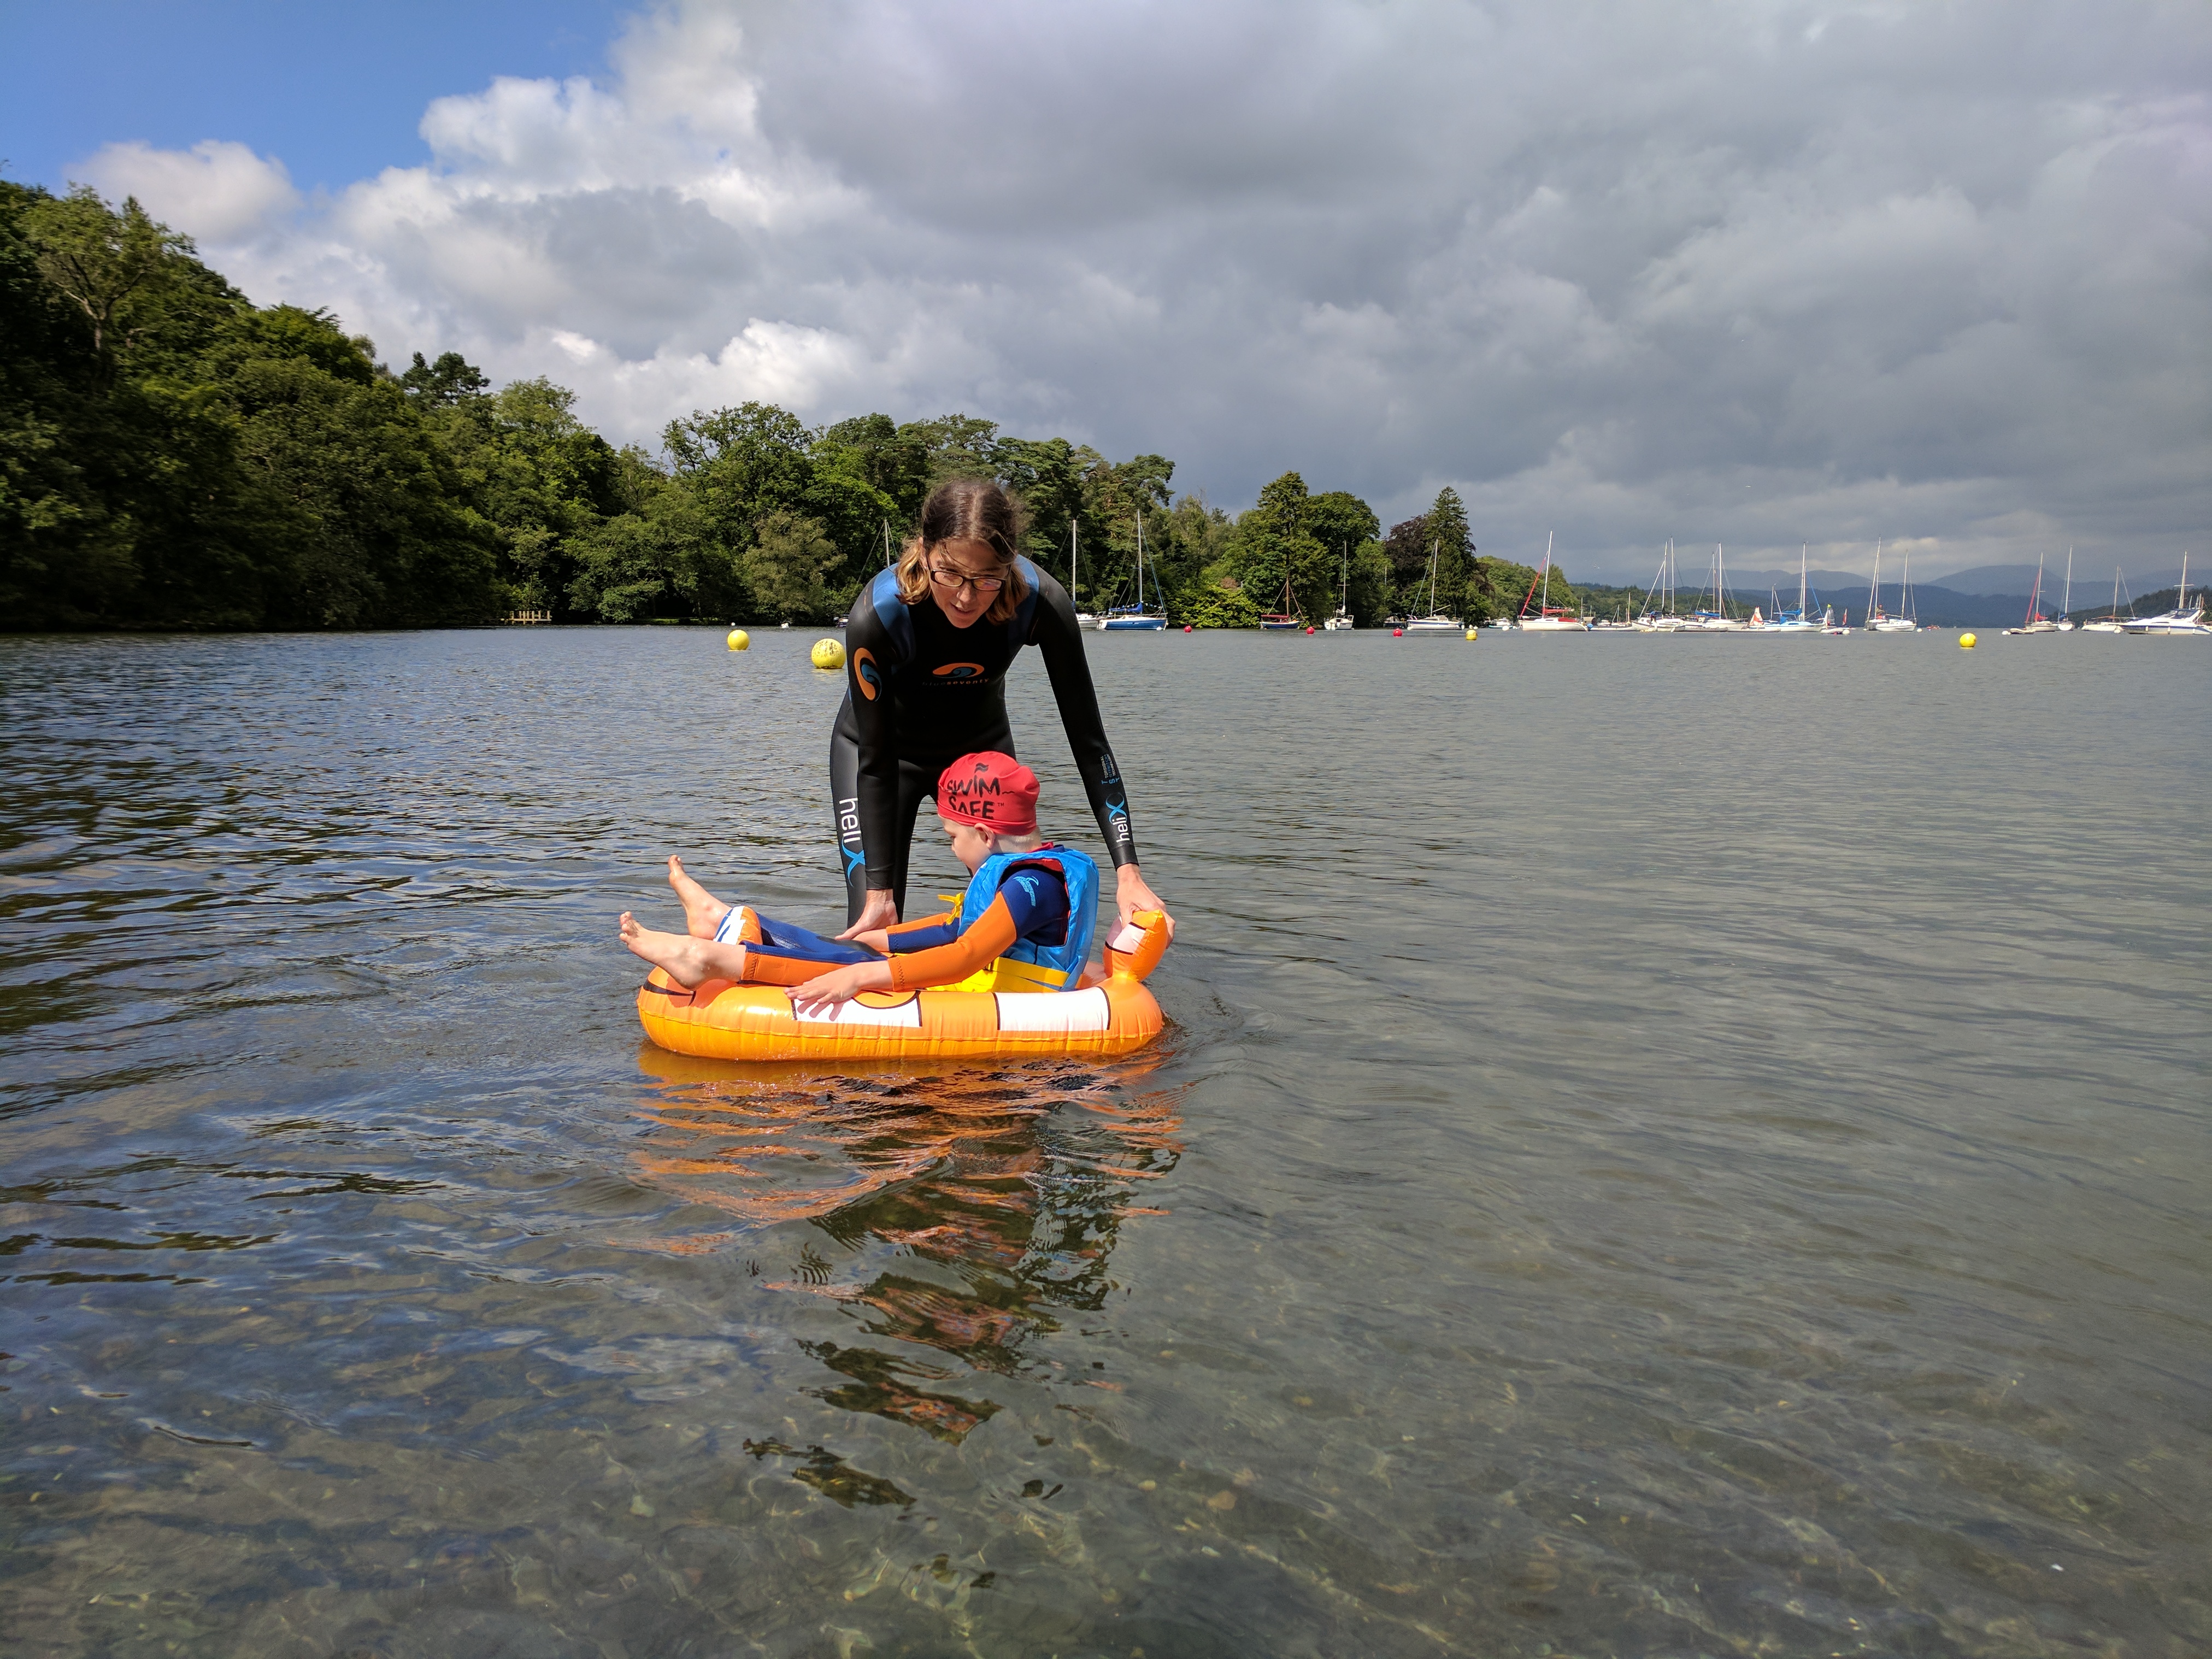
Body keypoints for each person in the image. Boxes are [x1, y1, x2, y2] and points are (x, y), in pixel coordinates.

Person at [831, 476, 1172, 944]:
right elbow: (875, 760)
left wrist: (1128, 872)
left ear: (1010, 565)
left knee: (1010, 927)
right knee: (876, 922)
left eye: (988, 578)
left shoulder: (1040, 603)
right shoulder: (879, 614)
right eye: (950, 574)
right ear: (924, 552)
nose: (966, 597)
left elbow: (1090, 743)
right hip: (879, 755)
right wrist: (879, 892)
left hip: (979, 752)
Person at [621, 752, 1099, 1014]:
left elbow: (967, 956)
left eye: (953, 837)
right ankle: (723, 920)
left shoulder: (1032, 885)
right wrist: (878, 939)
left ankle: (709, 959)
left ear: (984, 834)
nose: (953, 849)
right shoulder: (1030, 871)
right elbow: (956, 930)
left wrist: (860, 976)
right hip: (983, 988)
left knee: (857, 966)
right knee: (857, 950)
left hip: (1004, 1006)